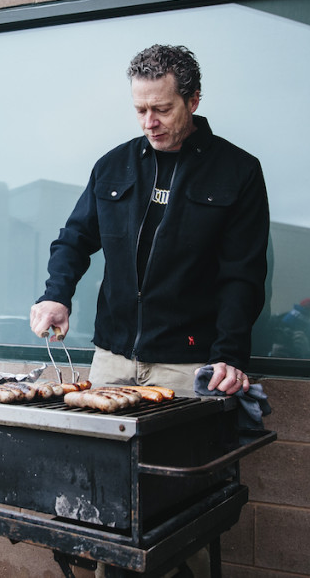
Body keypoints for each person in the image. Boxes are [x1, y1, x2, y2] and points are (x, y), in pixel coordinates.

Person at [29, 44, 270, 399]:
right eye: (140, 109)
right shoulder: (112, 165)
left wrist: (228, 354)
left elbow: (243, 274)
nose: (149, 122)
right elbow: (75, 239)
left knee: (177, 456)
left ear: (194, 101)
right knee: (99, 455)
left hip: (188, 363)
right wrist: (56, 296)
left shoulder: (238, 171)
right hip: (111, 359)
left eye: (162, 109)